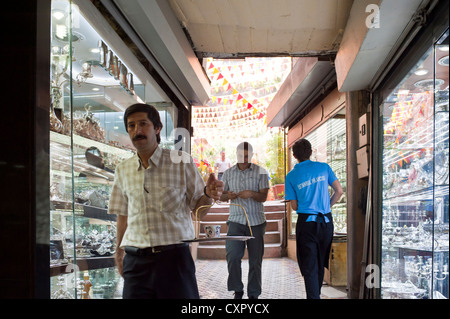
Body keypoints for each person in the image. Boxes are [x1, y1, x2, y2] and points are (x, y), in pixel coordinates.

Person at [108, 103, 223, 299]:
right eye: (131, 126)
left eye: (143, 124)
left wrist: (209, 195)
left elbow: (198, 210)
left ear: (157, 128)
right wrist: (118, 252)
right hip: (136, 263)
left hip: (174, 261)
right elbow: (123, 215)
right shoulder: (122, 170)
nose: (137, 130)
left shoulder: (181, 162)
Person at [285, 138, 344, 299]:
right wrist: (326, 206)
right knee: (320, 262)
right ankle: (315, 295)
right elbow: (339, 191)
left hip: (307, 224)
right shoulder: (324, 168)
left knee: (309, 265)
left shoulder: (291, 176)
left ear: (295, 155)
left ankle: (314, 297)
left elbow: (295, 206)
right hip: (326, 222)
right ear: (311, 152)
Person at [220, 142, 269, 299]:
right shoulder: (227, 173)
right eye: (241, 155)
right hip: (235, 220)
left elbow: (263, 197)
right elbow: (221, 196)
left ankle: (254, 294)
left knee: (255, 261)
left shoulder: (261, 172)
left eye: (247, 156)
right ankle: (237, 289)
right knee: (232, 256)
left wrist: (252, 194)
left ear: (252, 155)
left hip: (256, 222)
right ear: (236, 154)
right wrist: (229, 196)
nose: (244, 159)